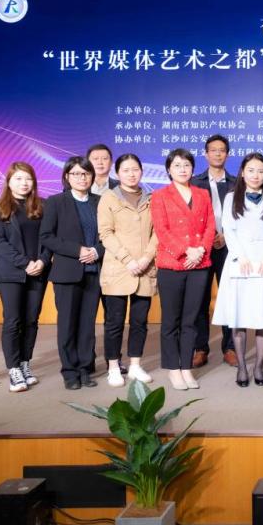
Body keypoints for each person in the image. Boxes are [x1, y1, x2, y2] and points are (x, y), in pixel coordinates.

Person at [213, 153, 263, 387]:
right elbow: (229, 228)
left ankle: (258, 367)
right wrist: (240, 255)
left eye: (261, 171)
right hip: (240, 262)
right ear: (243, 172)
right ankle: (242, 368)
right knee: (239, 317)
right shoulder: (231, 198)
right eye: (251, 170)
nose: (256, 175)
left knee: (262, 317)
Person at [150, 148, 214, 391]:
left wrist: (200, 250)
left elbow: (210, 226)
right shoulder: (159, 195)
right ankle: (173, 369)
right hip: (172, 264)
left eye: (186, 165)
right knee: (171, 321)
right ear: (169, 169)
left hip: (199, 264)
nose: (182, 169)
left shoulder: (202, 194)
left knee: (191, 320)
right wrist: (186, 251)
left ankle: (186, 367)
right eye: (177, 165)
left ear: (192, 169)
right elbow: (162, 230)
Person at [40, 156, 104, 390]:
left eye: (86, 173)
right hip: (67, 272)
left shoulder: (100, 202)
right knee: (67, 323)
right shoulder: (56, 202)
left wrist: (96, 251)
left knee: (87, 324)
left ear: (92, 176)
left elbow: (109, 234)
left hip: (94, 271)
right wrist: (78, 250)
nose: (81, 178)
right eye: (76, 173)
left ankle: (85, 369)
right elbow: (47, 237)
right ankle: (69, 371)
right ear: (67, 176)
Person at [0, 162, 50, 392]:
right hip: (11, 273)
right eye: (18, 179)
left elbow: (49, 237)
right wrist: (25, 263)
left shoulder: (43, 206)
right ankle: (13, 368)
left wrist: (42, 260)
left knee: (31, 320)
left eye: (28, 179)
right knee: (13, 321)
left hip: (38, 271)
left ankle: (25, 363)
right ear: (9, 182)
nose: (24, 183)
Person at [98, 154, 158, 388]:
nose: (131, 174)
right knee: (114, 322)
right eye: (126, 170)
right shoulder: (108, 198)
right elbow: (106, 233)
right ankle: (113, 367)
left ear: (141, 172)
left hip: (145, 268)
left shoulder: (152, 199)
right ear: (117, 173)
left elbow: (158, 233)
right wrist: (128, 259)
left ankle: (135, 365)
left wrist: (146, 258)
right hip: (119, 268)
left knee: (140, 322)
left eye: (135, 170)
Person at [191, 134, 238, 368]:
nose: (218, 154)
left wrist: (226, 236)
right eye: (213, 150)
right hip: (202, 248)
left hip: (229, 247)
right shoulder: (194, 182)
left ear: (227, 154)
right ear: (206, 154)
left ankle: (230, 347)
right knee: (200, 298)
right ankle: (201, 347)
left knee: (229, 297)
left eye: (222, 150)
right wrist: (207, 238)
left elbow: (242, 216)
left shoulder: (237, 183)